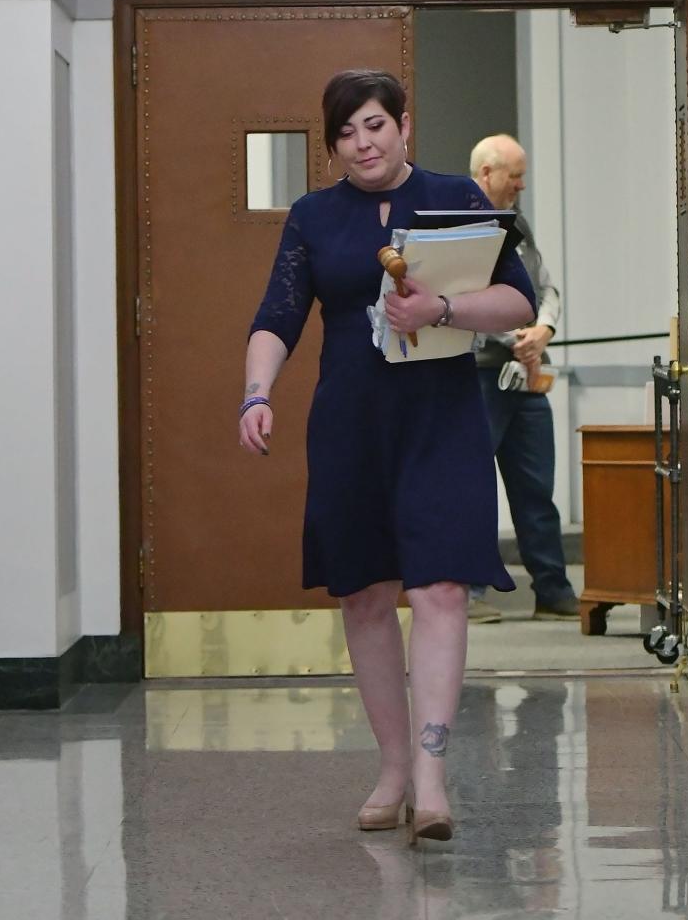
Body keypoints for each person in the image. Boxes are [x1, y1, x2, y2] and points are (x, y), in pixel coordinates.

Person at [239, 71, 535, 845]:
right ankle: (395, 767)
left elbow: (518, 301)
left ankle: (434, 779)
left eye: (374, 125)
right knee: (366, 595)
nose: (361, 143)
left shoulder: (457, 202)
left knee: (440, 588)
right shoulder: (312, 216)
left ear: (403, 122)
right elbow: (277, 314)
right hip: (351, 425)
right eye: (345, 133)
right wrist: (255, 391)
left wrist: (442, 307)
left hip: (440, 420)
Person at [468, 134, 580, 623]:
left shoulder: (520, 226)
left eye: (522, 174)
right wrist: (518, 334)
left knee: (536, 487)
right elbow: (459, 302)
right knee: (470, 486)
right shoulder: (459, 228)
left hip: (525, 377)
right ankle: (467, 591)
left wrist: (544, 328)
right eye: (514, 175)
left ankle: (552, 590)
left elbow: (547, 285)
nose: (522, 184)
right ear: (486, 174)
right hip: (477, 378)